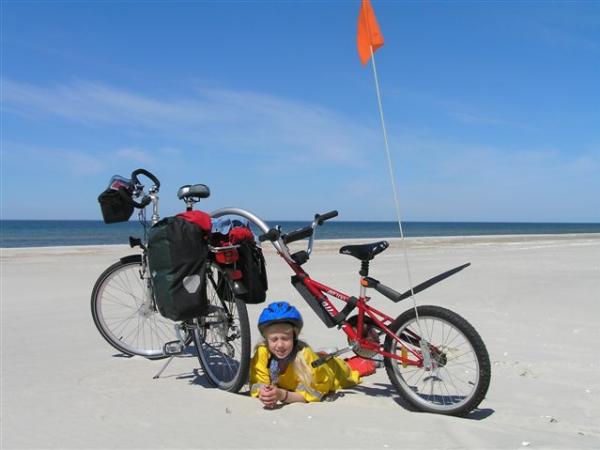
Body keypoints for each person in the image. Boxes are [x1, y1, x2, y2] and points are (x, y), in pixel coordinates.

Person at [249, 301, 376, 407]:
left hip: (334, 373)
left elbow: (314, 395)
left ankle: (373, 359)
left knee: (359, 367)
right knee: (321, 357)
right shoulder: (263, 352)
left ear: (294, 336)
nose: (280, 345)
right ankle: (325, 353)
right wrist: (264, 392)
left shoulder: (305, 358)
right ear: (266, 340)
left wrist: (282, 395)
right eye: (274, 339)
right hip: (317, 362)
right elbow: (258, 382)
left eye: (285, 338)